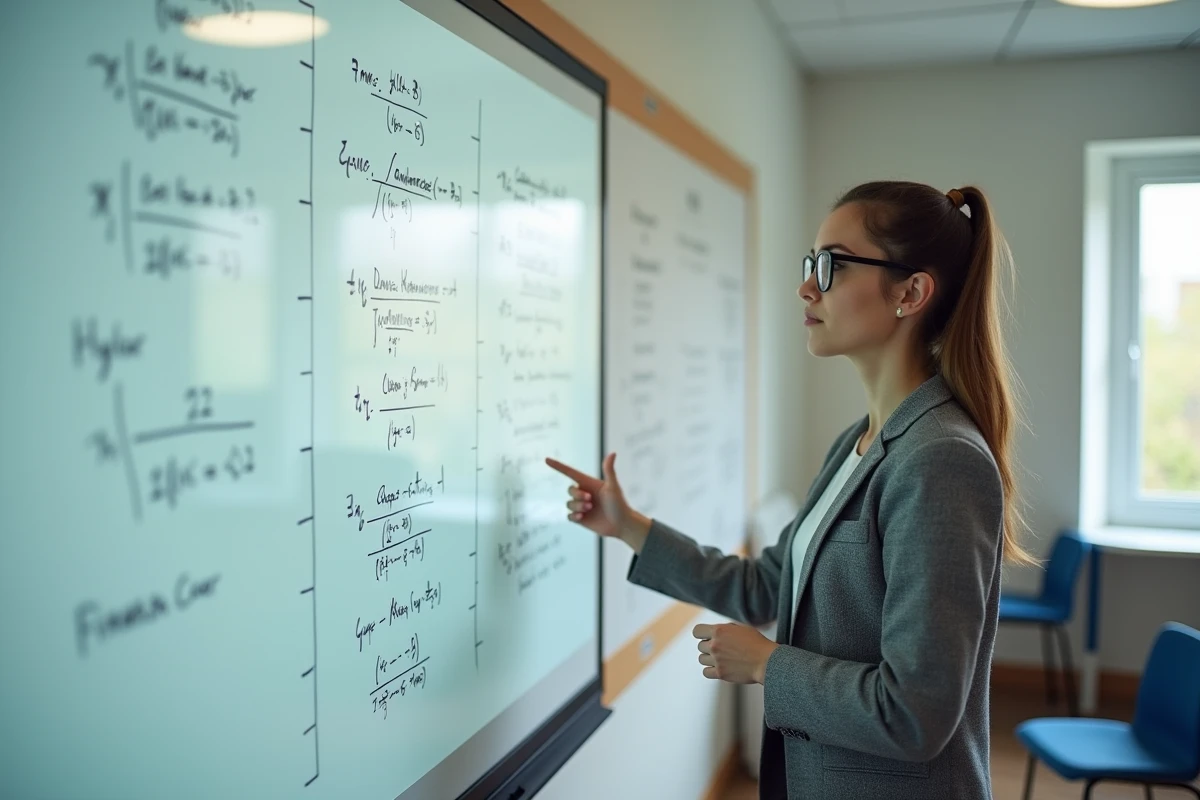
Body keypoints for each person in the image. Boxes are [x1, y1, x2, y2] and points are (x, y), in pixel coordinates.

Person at [546, 181, 1035, 799]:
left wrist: (766, 664)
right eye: (811, 263)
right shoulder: (859, 442)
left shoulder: (940, 459)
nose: (807, 287)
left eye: (832, 265)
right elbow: (764, 586)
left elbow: (916, 712)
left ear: (910, 292)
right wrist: (628, 526)